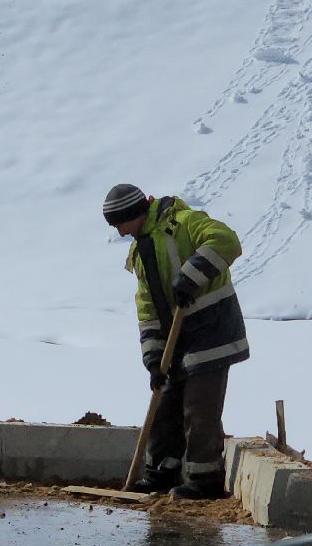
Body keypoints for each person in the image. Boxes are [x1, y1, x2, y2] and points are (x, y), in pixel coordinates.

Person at [103, 183, 248, 499]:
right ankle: (161, 473)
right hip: (178, 340)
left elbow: (227, 241)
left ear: (133, 214)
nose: (118, 231)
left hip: (212, 330)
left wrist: (192, 275)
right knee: (164, 405)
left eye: (118, 223)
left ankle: (204, 480)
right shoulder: (140, 252)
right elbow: (147, 310)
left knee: (199, 405)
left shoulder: (182, 221)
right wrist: (154, 360)